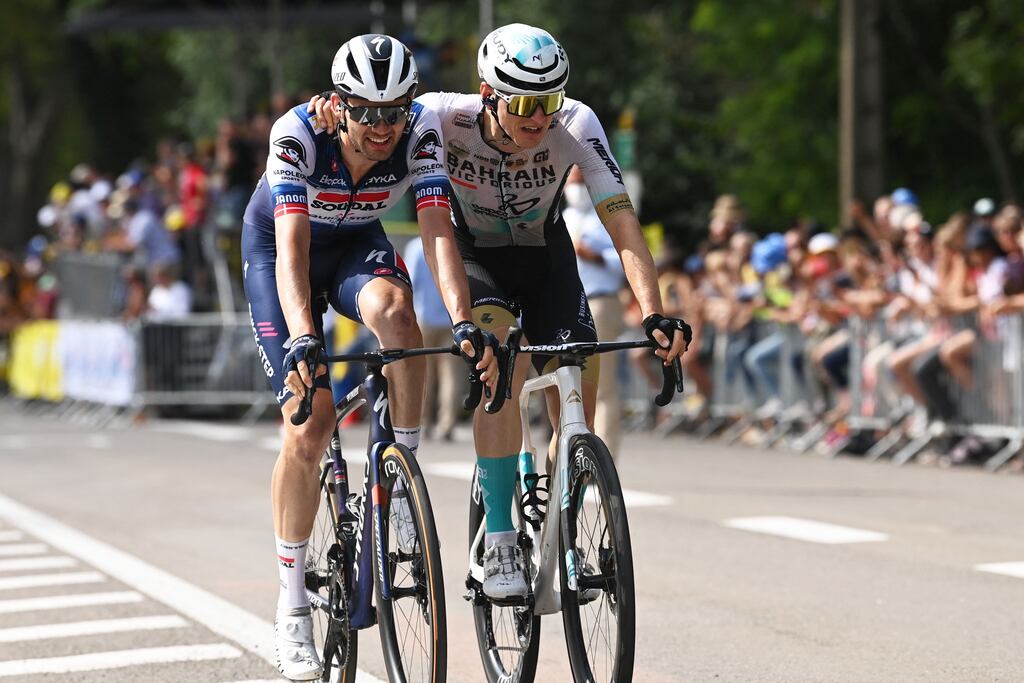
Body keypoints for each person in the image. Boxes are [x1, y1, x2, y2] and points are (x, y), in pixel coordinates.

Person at [314, 23, 690, 601]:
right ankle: (501, 536)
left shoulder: (577, 124)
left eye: (549, 101)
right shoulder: (441, 115)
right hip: (474, 257)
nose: (538, 118)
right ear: (488, 93)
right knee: (498, 363)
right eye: (522, 103)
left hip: (545, 255)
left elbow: (622, 222)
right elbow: (370, 114)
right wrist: (322, 115)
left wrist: (655, 312)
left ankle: (565, 509)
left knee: (575, 380)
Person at [245, 34, 496, 680]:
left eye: (396, 111)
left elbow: (438, 231)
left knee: (398, 314)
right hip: (281, 253)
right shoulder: (299, 133)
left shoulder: (419, 135)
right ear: (341, 104)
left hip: (356, 240)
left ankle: (401, 472)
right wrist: (305, 335)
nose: (384, 127)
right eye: (370, 113)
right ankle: (292, 602)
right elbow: (293, 253)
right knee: (311, 424)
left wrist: (464, 320)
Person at [562, 165, 626, 451]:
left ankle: (606, 452)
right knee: (568, 381)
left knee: (603, 382)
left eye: (581, 181)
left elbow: (624, 260)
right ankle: (574, 449)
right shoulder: (563, 217)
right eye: (571, 182)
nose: (576, 188)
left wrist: (594, 255)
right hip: (567, 301)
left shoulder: (605, 217)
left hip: (599, 300)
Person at [404, 235, 463, 440]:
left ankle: (424, 421)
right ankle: (447, 423)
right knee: (451, 375)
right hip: (450, 317)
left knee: (423, 372)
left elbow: (409, 281)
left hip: (424, 317)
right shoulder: (453, 243)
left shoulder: (415, 246)